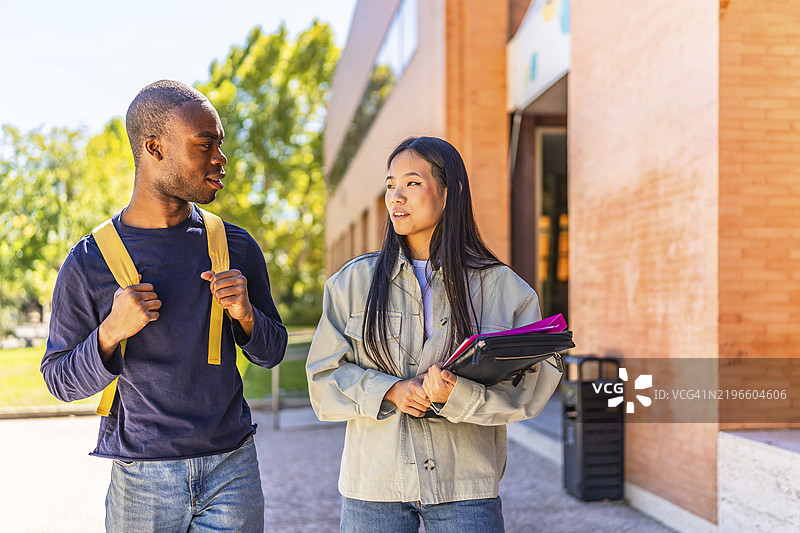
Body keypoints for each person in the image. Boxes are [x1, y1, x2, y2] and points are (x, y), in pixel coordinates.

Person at [41, 80, 287, 532]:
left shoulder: (235, 246)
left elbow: (272, 353)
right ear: (154, 148)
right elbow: (58, 379)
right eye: (205, 144)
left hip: (232, 469)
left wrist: (247, 316)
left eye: (221, 144)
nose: (221, 157)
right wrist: (111, 332)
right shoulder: (90, 261)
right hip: (142, 479)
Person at [306, 136, 562, 532]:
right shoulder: (352, 283)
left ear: (451, 192)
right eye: (390, 184)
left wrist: (458, 396)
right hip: (374, 488)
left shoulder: (503, 288)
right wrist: (390, 391)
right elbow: (322, 381)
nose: (396, 197)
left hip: (466, 487)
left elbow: (532, 387)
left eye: (411, 183)